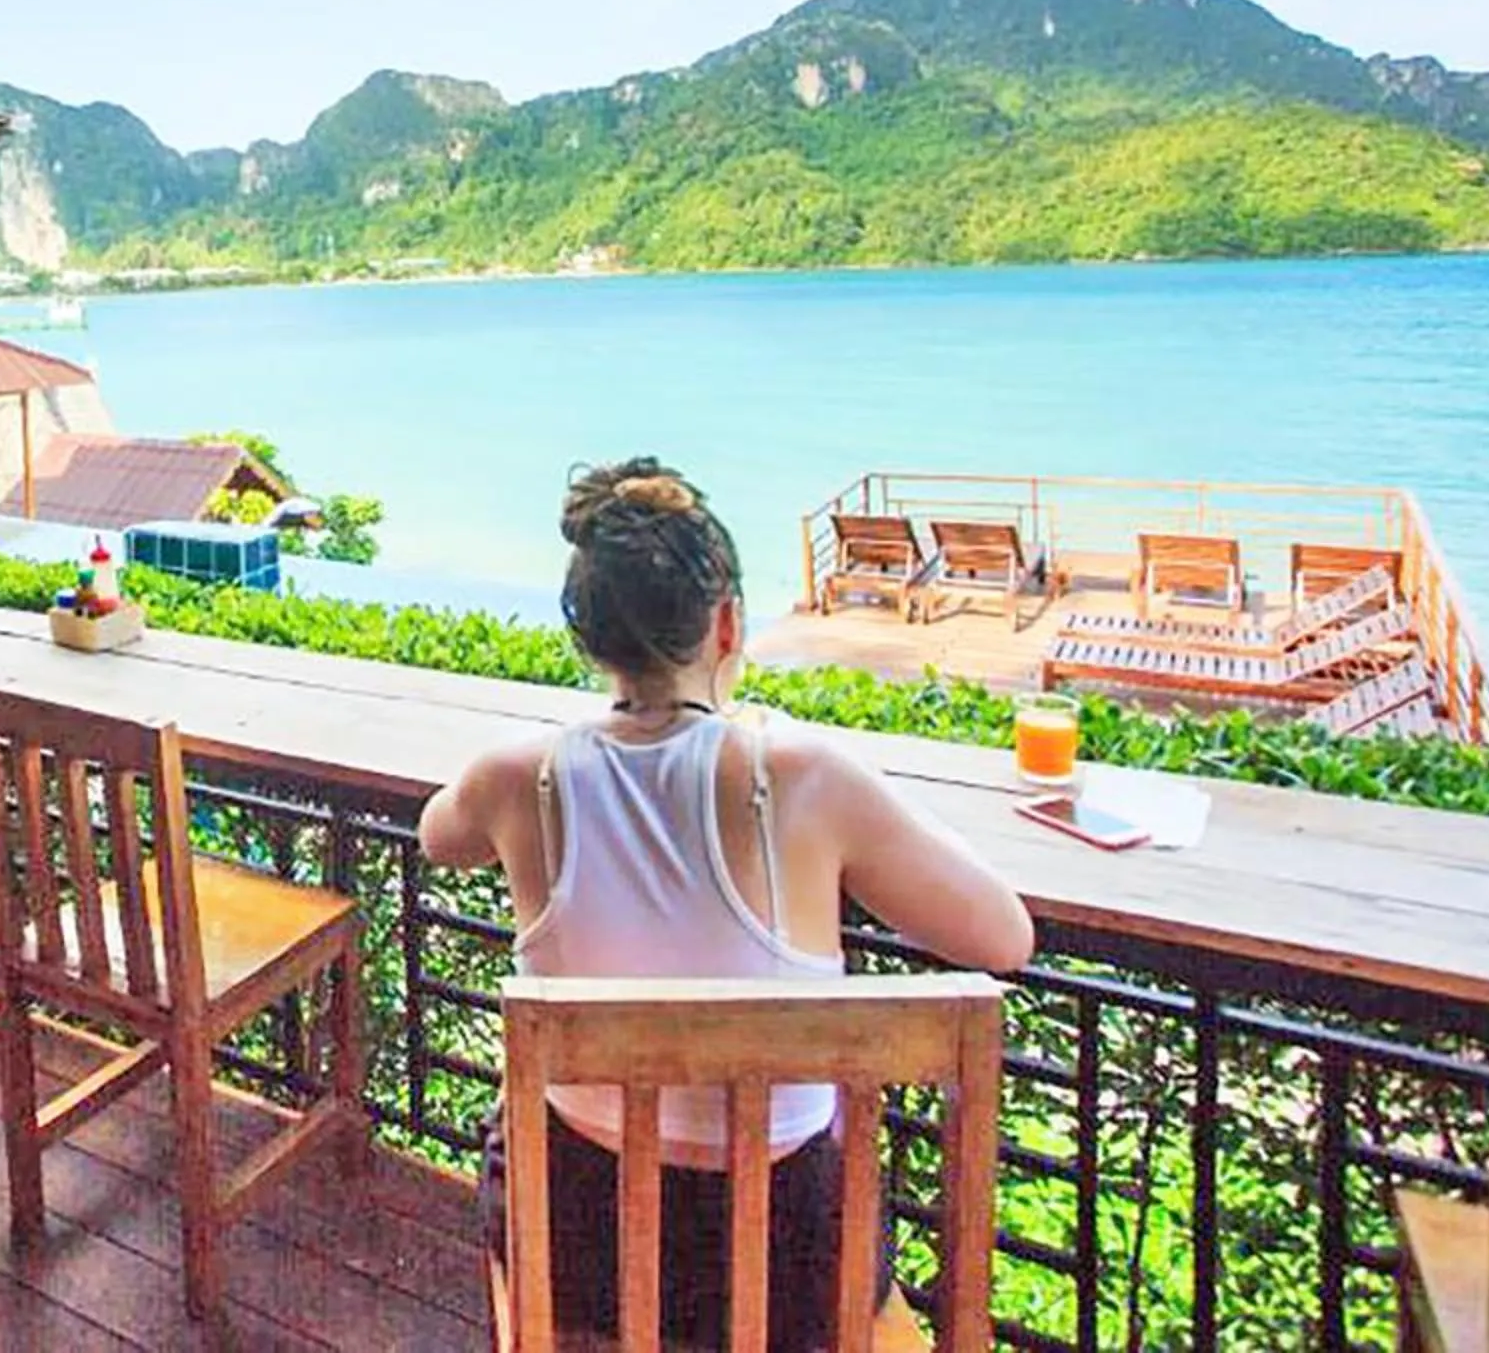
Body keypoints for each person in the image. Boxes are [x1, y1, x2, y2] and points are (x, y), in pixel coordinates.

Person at [421, 459, 1035, 1349]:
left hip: (577, 1236)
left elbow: (441, 836)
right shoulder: (803, 777)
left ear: (585, 638)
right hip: (788, 1266)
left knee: (518, 1138)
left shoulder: (519, 777)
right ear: (727, 623)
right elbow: (1003, 935)